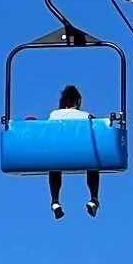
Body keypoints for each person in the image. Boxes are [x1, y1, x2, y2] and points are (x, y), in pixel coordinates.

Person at [46, 85, 101, 220]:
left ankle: (55, 201)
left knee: (54, 166)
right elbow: (98, 126)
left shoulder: (54, 115)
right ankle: (94, 198)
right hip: (81, 155)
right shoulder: (86, 116)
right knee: (93, 165)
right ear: (78, 101)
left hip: (59, 155)